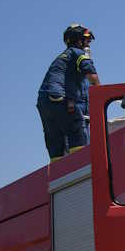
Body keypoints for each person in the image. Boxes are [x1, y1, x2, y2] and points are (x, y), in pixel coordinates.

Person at [37, 24, 101, 161]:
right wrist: (102, 98)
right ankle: (81, 164)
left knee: (54, 139)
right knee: (77, 129)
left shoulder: (62, 58)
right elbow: (93, 79)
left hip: (44, 103)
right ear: (78, 40)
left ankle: (58, 171)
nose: (88, 44)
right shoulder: (79, 54)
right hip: (59, 97)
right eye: (86, 40)